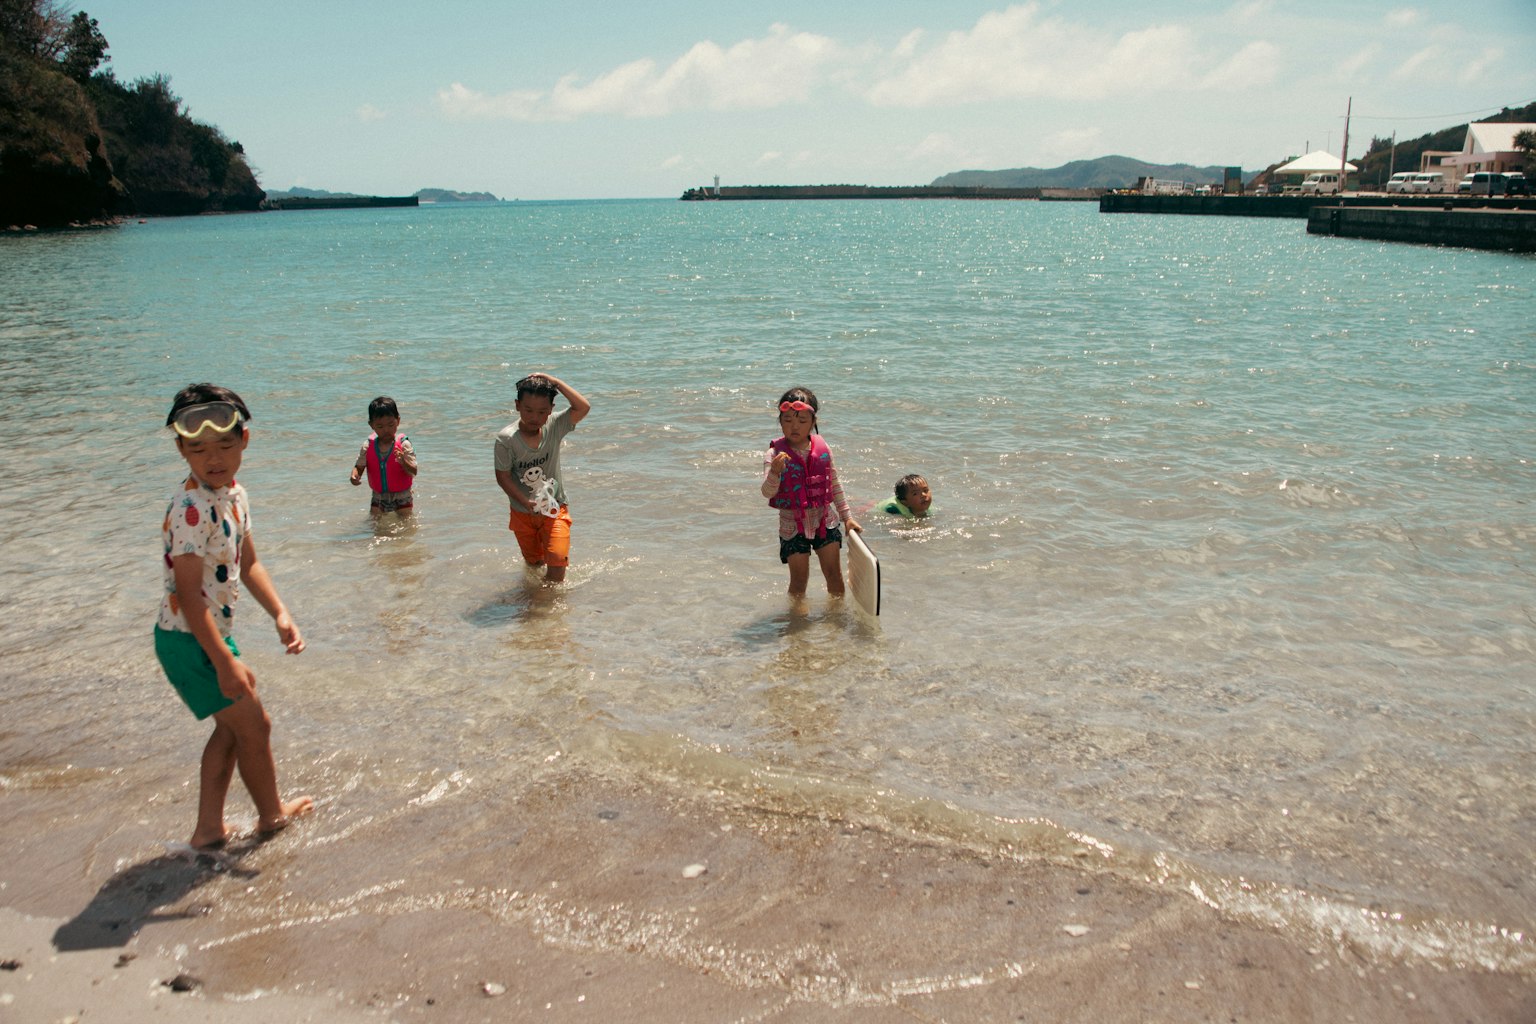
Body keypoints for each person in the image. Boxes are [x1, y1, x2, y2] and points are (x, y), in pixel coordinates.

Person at [154, 384, 313, 851]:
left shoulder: (234, 495)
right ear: (181, 448)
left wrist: (280, 613)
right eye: (198, 448)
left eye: (225, 444)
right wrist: (223, 660)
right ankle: (271, 816)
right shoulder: (189, 509)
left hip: (205, 636)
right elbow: (187, 592)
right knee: (254, 726)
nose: (213, 458)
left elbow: (249, 564)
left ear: (245, 440)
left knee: (231, 730)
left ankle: (208, 830)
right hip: (189, 638)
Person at [761, 386, 862, 597]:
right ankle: (797, 625)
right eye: (788, 420)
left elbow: (834, 484)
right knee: (798, 583)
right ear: (780, 422)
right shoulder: (774, 454)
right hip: (792, 527)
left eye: (802, 421)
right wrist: (775, 473)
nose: (794, 427)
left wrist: (848, 518)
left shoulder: (823, 449)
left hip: (825, 521)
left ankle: (835, 622)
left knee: (834, 575)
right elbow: (768, 492)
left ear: (813, 422)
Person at [494, 373, 591, 583]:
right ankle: (534, 598)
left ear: (551, 411)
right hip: (522, 513)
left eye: (541, 412)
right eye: (528, 410)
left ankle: (546, 610)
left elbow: (583, 407)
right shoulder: (506, 440)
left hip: (555, 508)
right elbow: (502, 477)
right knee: (534, 563)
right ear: (517, 405)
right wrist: (524, 502)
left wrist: (555, 382)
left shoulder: (554, 426)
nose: (534, 418)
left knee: (557, 560)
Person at [349, 395, 418, 516]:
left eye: (390, 425)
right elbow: (359, 467)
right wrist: (355, 476)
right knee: (375, 526)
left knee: (406, 526)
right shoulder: (367, 446)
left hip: (402, 494)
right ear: (371, 425)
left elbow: (414, 471)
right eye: (380, 426)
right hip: (378, 495)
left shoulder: (404, 445)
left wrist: (403, 461)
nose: (386, 430)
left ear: (398, 421)